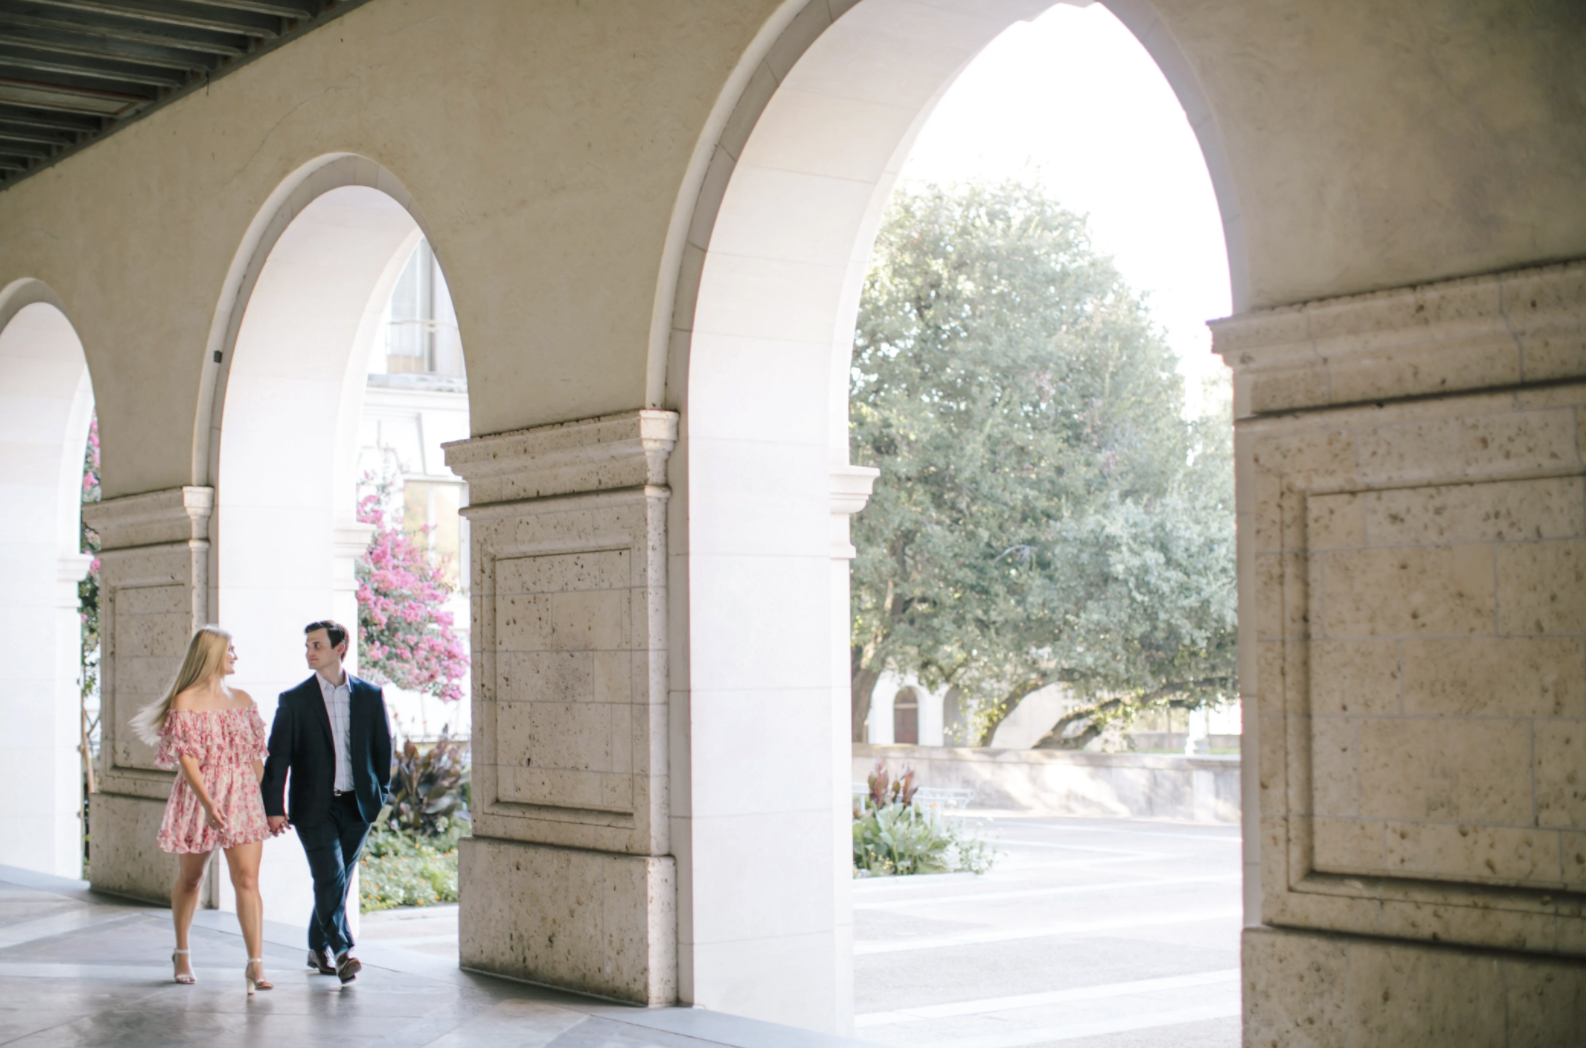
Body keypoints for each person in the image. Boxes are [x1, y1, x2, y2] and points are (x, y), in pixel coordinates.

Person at [130, 624, 274, 995]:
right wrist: (209, 804)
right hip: (200, 798)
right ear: (211, 655)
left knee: (247, 880)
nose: (235, 656)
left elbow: (254, 757)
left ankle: (255, 964)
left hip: (242, 798)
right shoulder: (185, 701)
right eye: (230, 650)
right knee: (192, 879)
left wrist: (269, 804)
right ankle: (181, 952)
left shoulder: (243, 699)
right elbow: (187, 759)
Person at [261, 620, 392, 985]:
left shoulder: (369, 695)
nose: (310, 652)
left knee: (337, 882)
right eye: (307, 645)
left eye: (317, 645)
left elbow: (383, 751)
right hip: (313, 808)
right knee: (330, 877)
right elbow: (278, 759)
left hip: (358, 807)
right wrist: (273, 808)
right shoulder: (294, 700)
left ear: (339, 648)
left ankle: (317, 947)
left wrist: (379, 795)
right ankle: (343, 951)